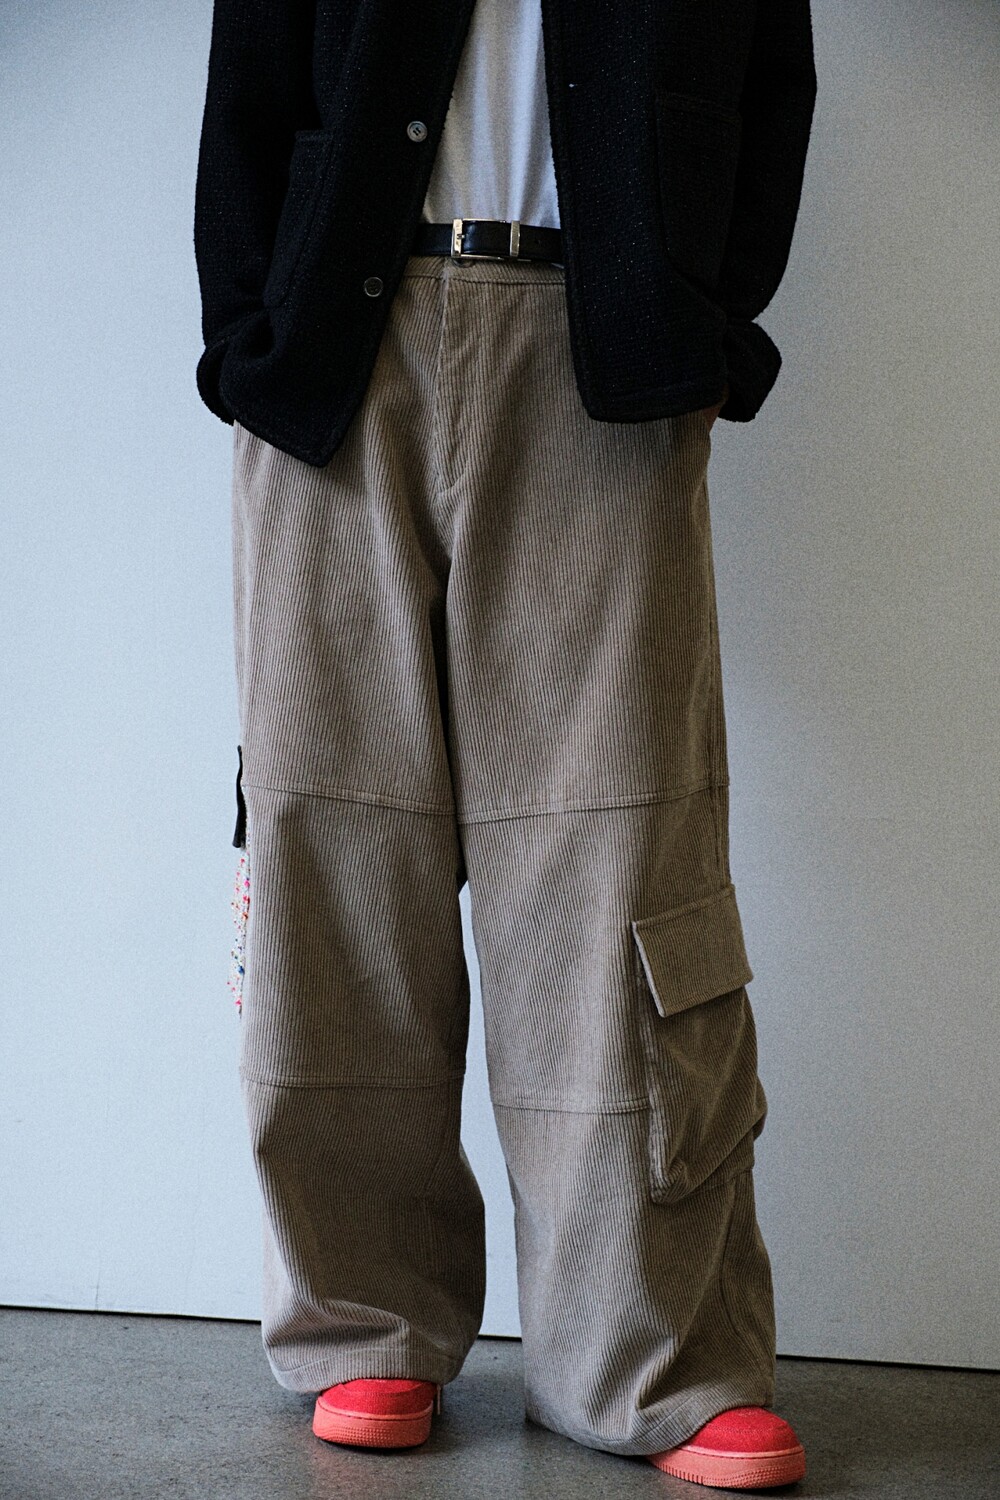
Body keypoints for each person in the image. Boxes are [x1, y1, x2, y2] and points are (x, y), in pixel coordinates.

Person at [194, 0, 817, 1489]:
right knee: (333, 843)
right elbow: (253, 81)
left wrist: (702, 326)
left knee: (624, 856)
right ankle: (361, 1322)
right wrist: (251, 335)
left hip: (608, 352)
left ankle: (649, 1357)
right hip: (336, 357)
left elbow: (767, 80)